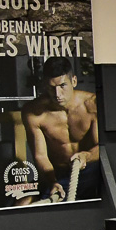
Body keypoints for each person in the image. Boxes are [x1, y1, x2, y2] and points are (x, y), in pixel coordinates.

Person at [20, 56, 100, 204]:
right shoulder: (33, 112)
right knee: (22, 203)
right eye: (52, 87)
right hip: (58, 175)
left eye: (63, 85)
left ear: (74, 81)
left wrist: (86, 156)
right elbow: (40, 156)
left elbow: (101, 148)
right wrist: (52, 182)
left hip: (91, 172)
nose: (57, 94)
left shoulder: (91, 105)